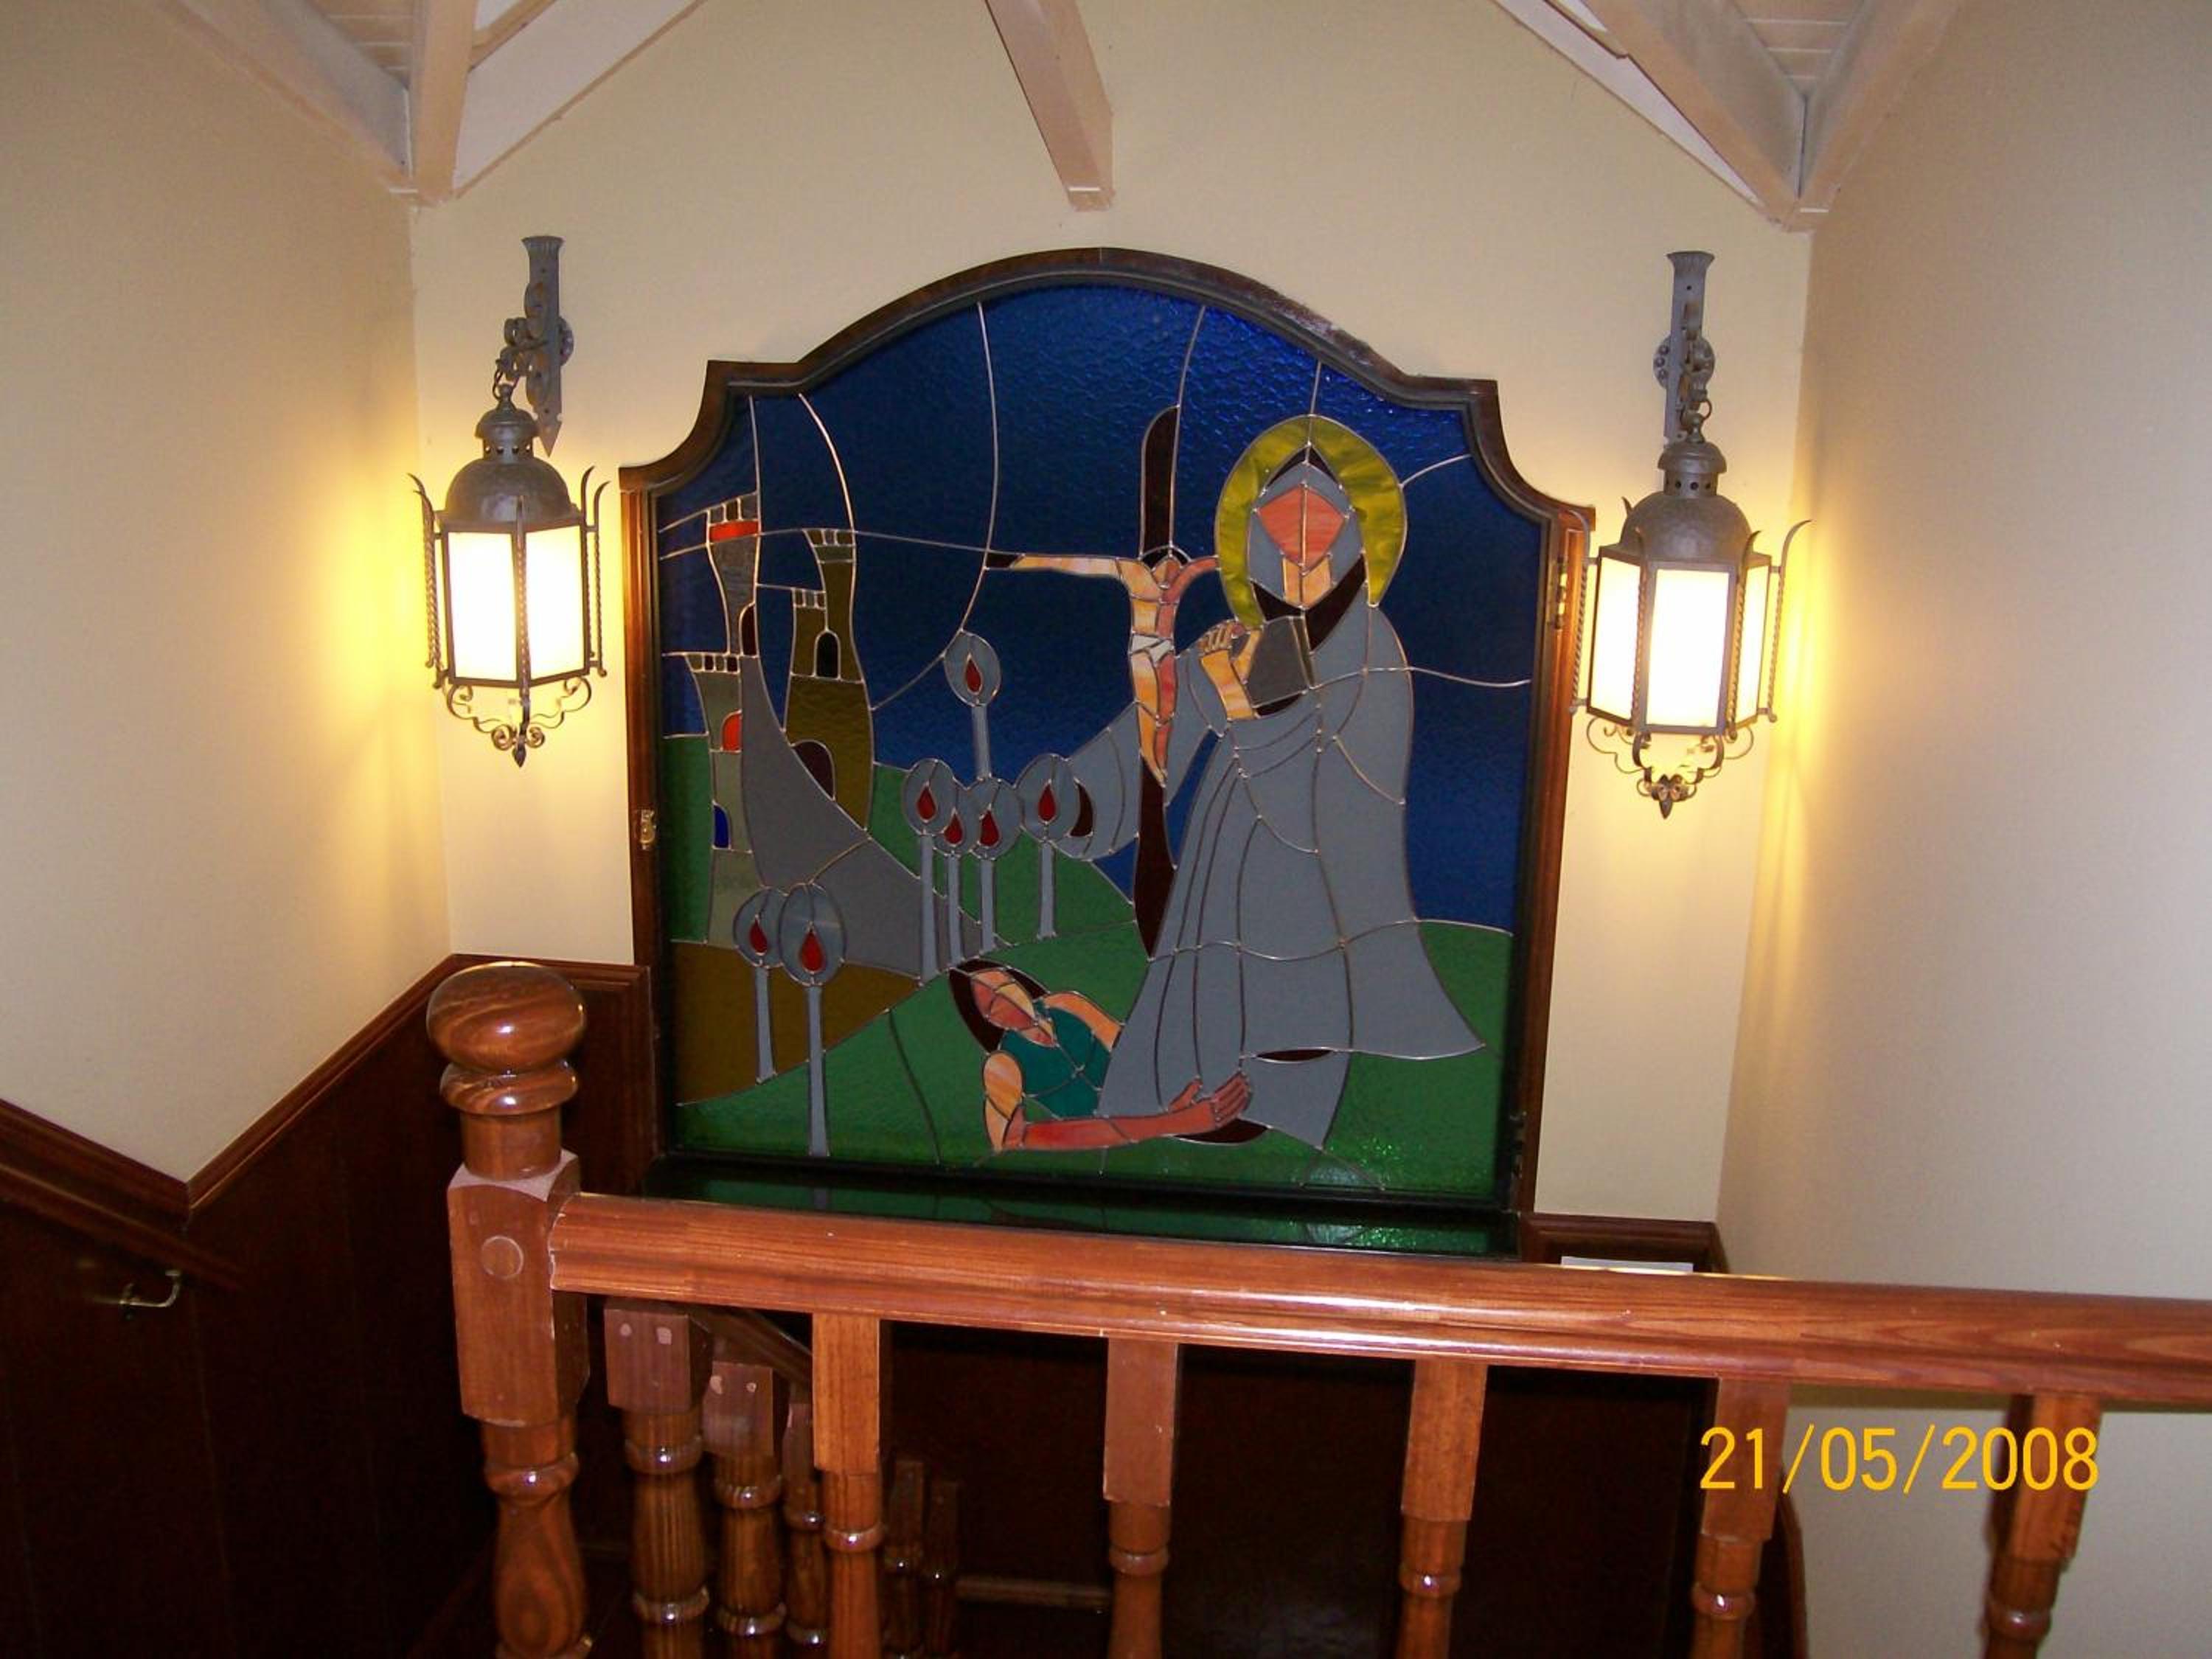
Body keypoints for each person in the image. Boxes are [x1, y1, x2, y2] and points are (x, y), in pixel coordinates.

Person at [1050, 416, 1482, 1150]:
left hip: (1311, 893)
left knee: (1282, 1030)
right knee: (1202, 1003)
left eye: (1317, 540)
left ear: (1353, 542)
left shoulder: (1372, 652)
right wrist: (1074, 796)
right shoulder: (1255, 641)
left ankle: (1271, 1122)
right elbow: (1162, 724)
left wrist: (1237, 705)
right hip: (1221, 871)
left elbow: (1333, 806)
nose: (1298, 560)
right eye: (1281, 540)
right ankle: (1179, 1107)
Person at [950, 963, 1251, 1150]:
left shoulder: (1065, 1004)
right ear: (987, 1019)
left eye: (1004, 987)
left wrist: (1165, 1102)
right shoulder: (1003, 1064)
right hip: (1099, 1141)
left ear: (1018, 984)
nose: (1004, 1001)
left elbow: (1126, 1047)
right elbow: (1013, 1138)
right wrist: (1172, 1123)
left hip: (1152, 1104)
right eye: (990, 1005)